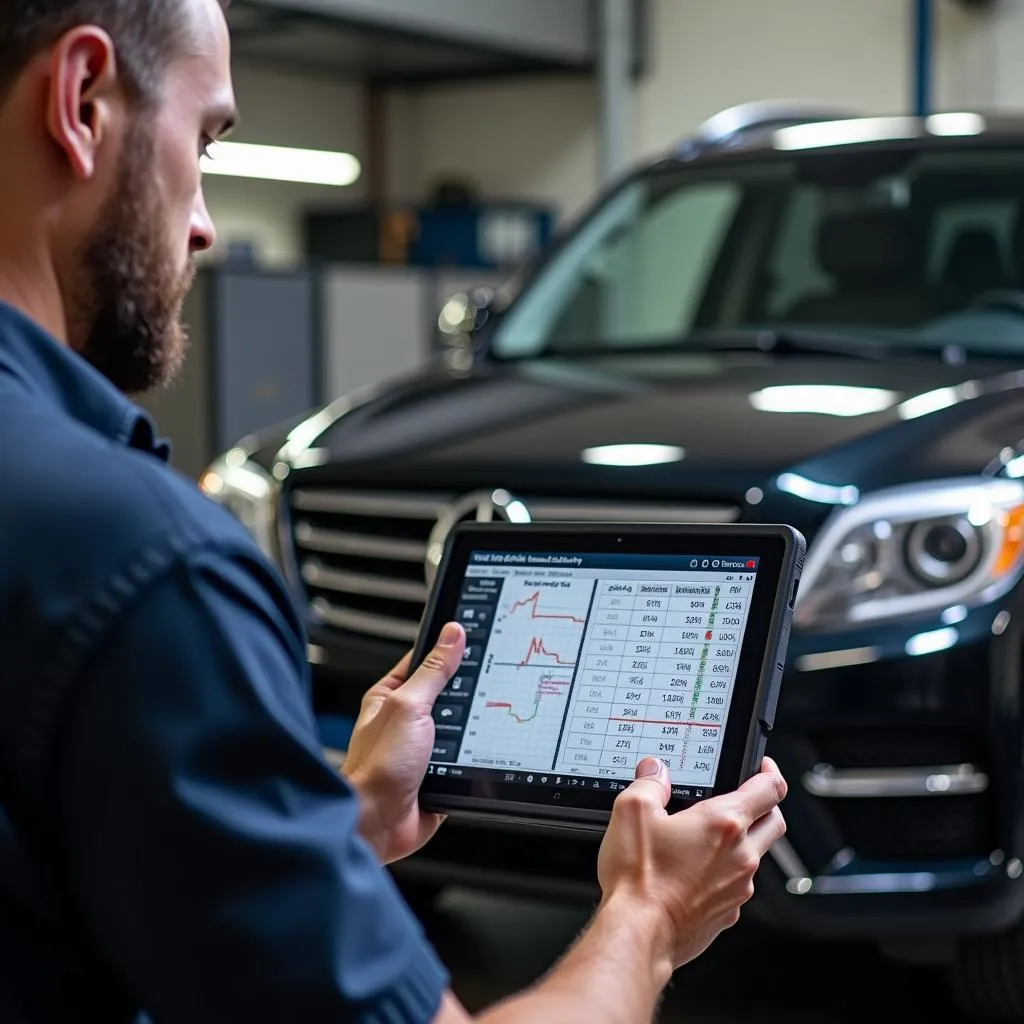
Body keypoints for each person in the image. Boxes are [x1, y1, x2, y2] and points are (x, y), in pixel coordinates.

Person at [0, 2, 789, 1022]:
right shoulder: (142, 561)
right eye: (202, 139)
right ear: (81, 101)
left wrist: (329, 824)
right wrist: (647, 911)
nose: (202, 223)